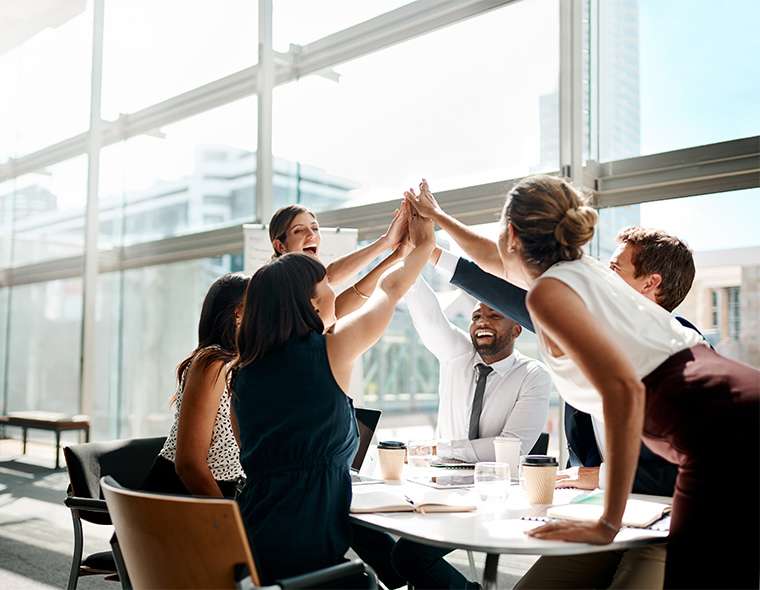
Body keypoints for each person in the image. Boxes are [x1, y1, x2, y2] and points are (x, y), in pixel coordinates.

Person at [406, 176, 759, 589]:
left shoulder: (552, 293)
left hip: (721, 432)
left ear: (512, 234)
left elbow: (624, 392)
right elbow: (493, 262)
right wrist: (438, 219)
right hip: (729, 408)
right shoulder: (582, 272)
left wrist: (607, 522)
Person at [230, 203, 435, 585]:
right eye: (326, 286)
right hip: (303, 551)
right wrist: (423, 242)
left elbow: (252, 457)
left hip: (248, 540)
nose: (332, 292)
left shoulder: (242, 373)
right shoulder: (332, 349)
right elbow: (390, 291)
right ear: (310, 301)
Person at [391, 270, 552, 590]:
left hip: (493, 497)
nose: (482, 321)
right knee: (380, 537)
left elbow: (512, 449)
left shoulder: (534, 375)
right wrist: (410, 259)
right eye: (477, 315)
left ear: (517, 328)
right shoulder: (458, 356)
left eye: (494, 314)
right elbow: (428, 315)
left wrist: (443, 449)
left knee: (407, 557)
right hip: (438, 487)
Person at [142, 273, 248, 498]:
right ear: (238, 312)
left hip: (220, 491)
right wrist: (226, 521)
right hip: (185, 496)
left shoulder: (239, 363)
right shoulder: (213, 363)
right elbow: (189, 465)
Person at [268, 204, 408, 318]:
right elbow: (330, 280)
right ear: (280, 246)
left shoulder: (308, 294)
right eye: (298, 231)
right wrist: (388, 244)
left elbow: (334, 285)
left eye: (315, 228)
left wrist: (393, 251)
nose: (311, 235)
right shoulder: (274, 287)